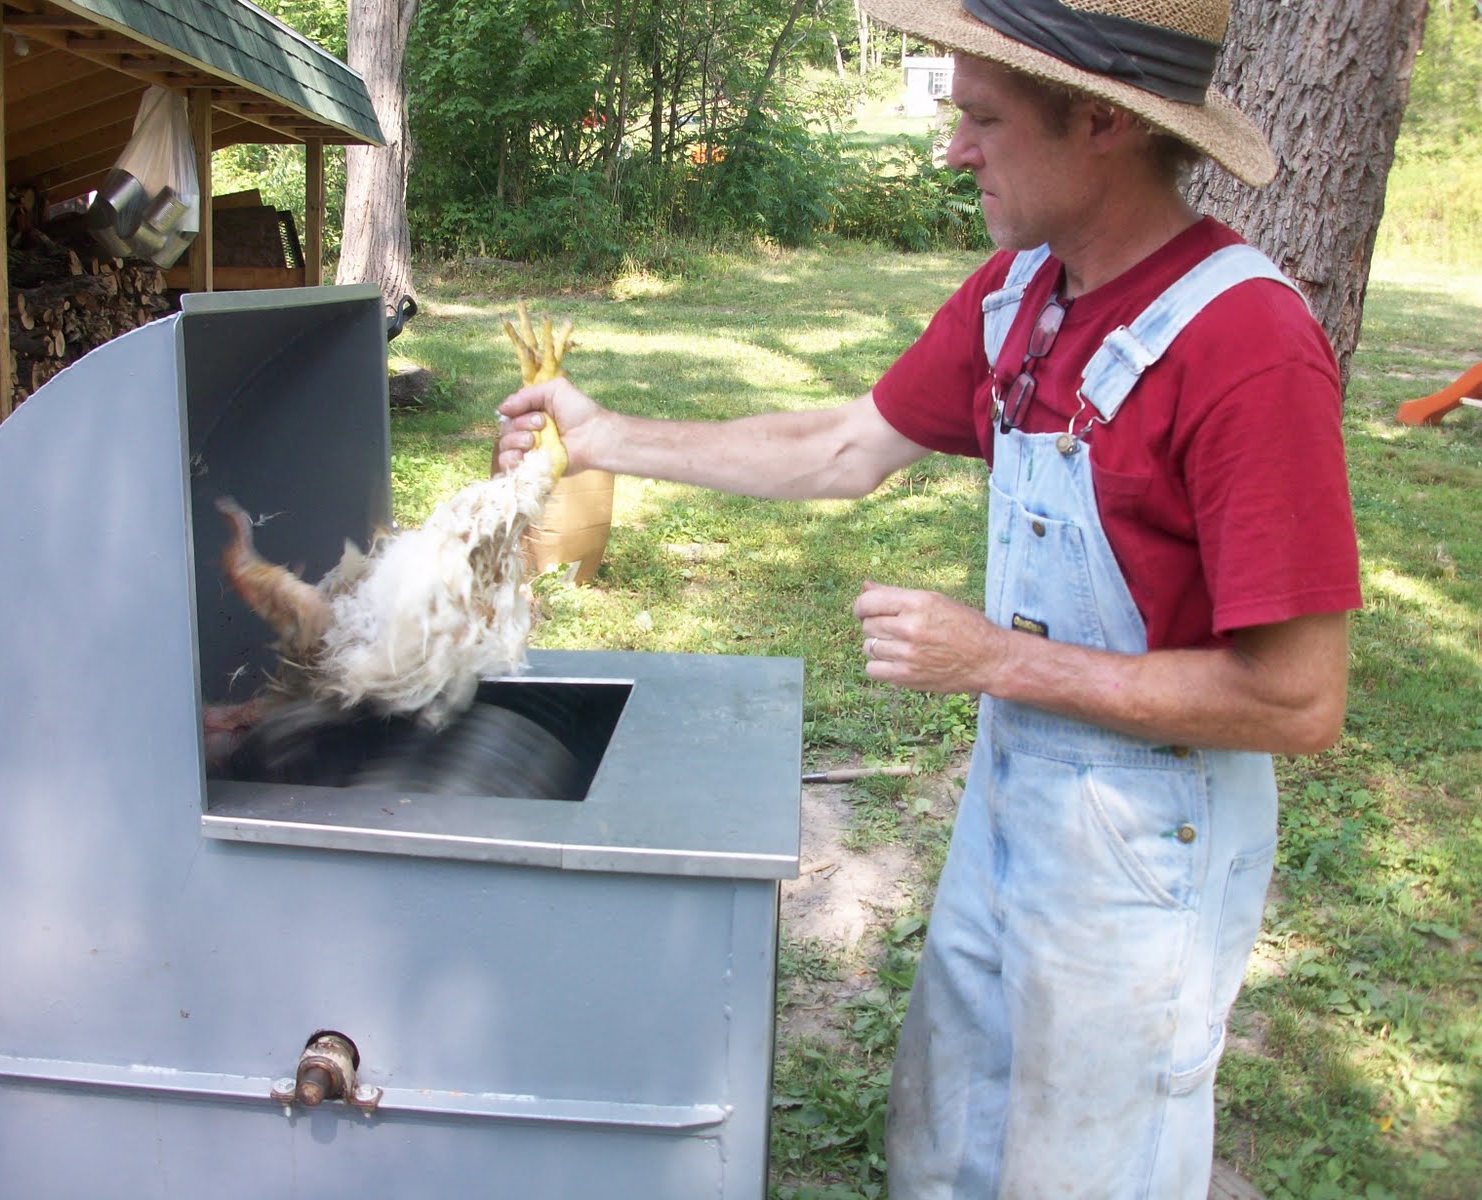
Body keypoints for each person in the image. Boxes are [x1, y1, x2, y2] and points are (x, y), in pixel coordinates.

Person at [496, 1, 1361, 1194]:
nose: (953, 150)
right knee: (949, 1142)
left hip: (1147, 854)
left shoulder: (1244, 344)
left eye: (983, 119)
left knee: (1086, 1168)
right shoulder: (1019, 299)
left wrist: (998, 660)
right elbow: (840, 447)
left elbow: (1298, 702)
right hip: (1009, 810)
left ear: (1102, 121)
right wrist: (604, 438)